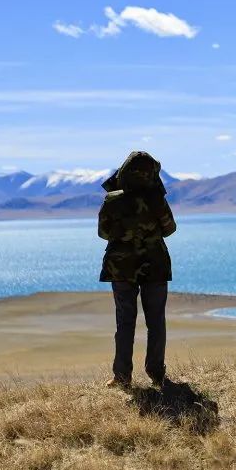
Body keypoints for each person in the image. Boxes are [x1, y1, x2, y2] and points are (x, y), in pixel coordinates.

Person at [97, 151, 177, 388]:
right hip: (155, 265)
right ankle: (156, 373)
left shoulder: (112, 200)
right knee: (156, 321)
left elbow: (103, 233)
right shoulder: (156, 199)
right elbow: (170, 228)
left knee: (125, 321)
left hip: (121, 267)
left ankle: (122, 376)